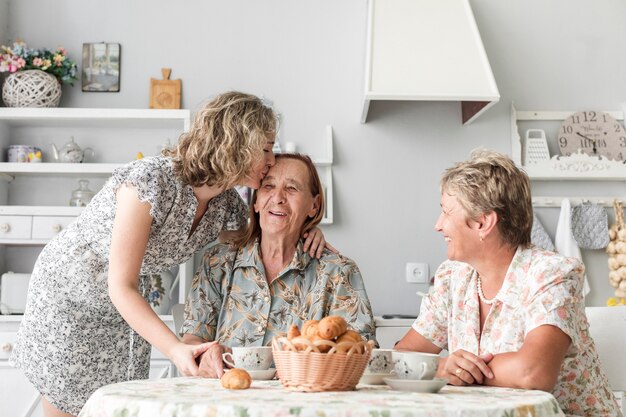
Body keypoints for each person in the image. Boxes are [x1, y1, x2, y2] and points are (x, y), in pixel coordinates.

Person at [11, 92, 331, 417]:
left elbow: (266, 239)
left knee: (115, 406)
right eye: (265, 148)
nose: (271, 159)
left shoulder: (225, 205)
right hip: (70, 300)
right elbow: (120, 285)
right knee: (66, 405)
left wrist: (308, 230)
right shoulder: (151, 182)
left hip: (126, 313)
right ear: (237, 143)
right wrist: (177, 349)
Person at [395, 150, 621, 417]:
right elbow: (400, 357)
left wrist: (461, 371)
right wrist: (442, 367)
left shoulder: (553, 274)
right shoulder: (452, 277)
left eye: (446, 212)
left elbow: (533, 372)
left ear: (483, 222)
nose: (438, 225)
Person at [180, 153, 376, 378]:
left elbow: (360, 353)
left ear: (314, 205)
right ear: (255, 201)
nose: (278, 197)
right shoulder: (216, 263)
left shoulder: (339, 272)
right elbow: (193, 339)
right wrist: (206, 356)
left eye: (292, 188)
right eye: (268, 186)